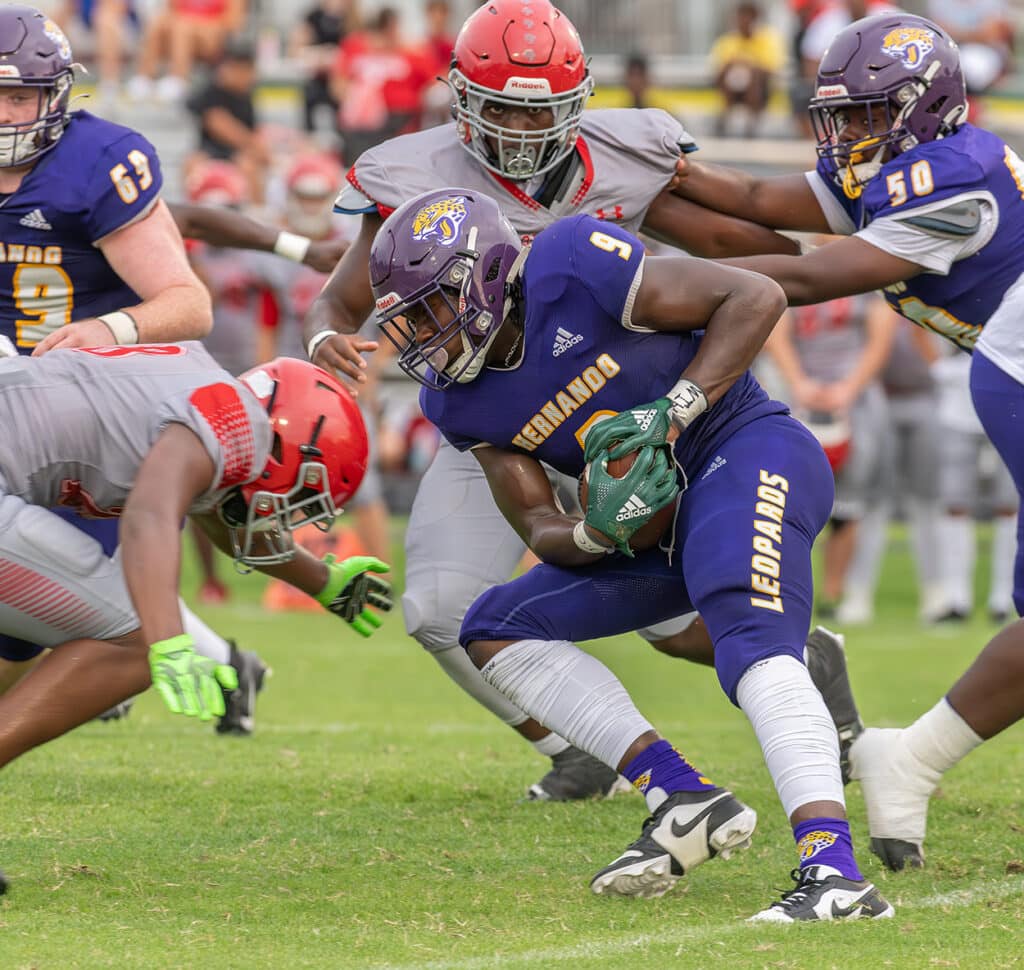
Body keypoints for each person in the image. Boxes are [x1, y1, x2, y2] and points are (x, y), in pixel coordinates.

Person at [304, 0, 858, 803]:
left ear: (577, 103)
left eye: (537, 111)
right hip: (499, 421)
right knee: (437, 608)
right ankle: (580, 746)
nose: (519, 131)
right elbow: (341, 298)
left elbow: (742, 246)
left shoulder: (624, 154)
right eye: (498, 107)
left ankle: (796, 658)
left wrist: (863, 254)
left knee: (668, 623)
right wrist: (325, 337)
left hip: (620, 408)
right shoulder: (413, 171)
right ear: (460, 98)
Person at [368, 186, 892, 921]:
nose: (424, 337)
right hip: (655, 523)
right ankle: (681, 794)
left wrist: (673, 410)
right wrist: (594, 531)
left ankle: (836, 876)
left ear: (484, 276)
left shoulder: (571, 265)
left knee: (746, 636)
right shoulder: (462, 403)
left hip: (740, 450)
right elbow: (537, 523)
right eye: (409, 321)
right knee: (492, 628)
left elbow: (754, 295)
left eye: (431, 309)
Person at [672, 11, 1024, 871]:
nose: (846, 133)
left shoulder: (952, 181)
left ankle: (909, 758)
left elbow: (800, 276)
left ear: (924, 107)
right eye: (841, 113)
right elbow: (754, 202)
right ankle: (912, 760)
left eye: (867, 114)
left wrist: (641, 280)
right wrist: (657, 167)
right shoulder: (909, 163)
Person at [0, 345, 392, 894]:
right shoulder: (233, 421)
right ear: (282, 442)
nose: (289, 510)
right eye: (299, 491)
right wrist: (167, 642)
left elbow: (220, 516)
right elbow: (151, 514)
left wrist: (322, 583)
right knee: (136, 639)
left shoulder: (212, 395)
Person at [763, 293, 896, 614]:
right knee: (779, 499)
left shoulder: (867, 280)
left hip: (855, 400)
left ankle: (835, 593)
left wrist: (848, 389)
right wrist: (798, 384)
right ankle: (781, 588)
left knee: (849, 502)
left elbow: (882, 335)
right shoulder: (797, 273)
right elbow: (775, 333)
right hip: (796, 396)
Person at [709, 2, 785, 138]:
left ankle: (751, 124)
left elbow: (772, 69)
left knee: (753, 74)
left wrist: (748, 66)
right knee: (730, 70)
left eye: (747, 17)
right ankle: (724, 117)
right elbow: (717, 71)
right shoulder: (727, 41)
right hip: (731, 88)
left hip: (760, 89)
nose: (743, 22)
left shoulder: (768, 39)